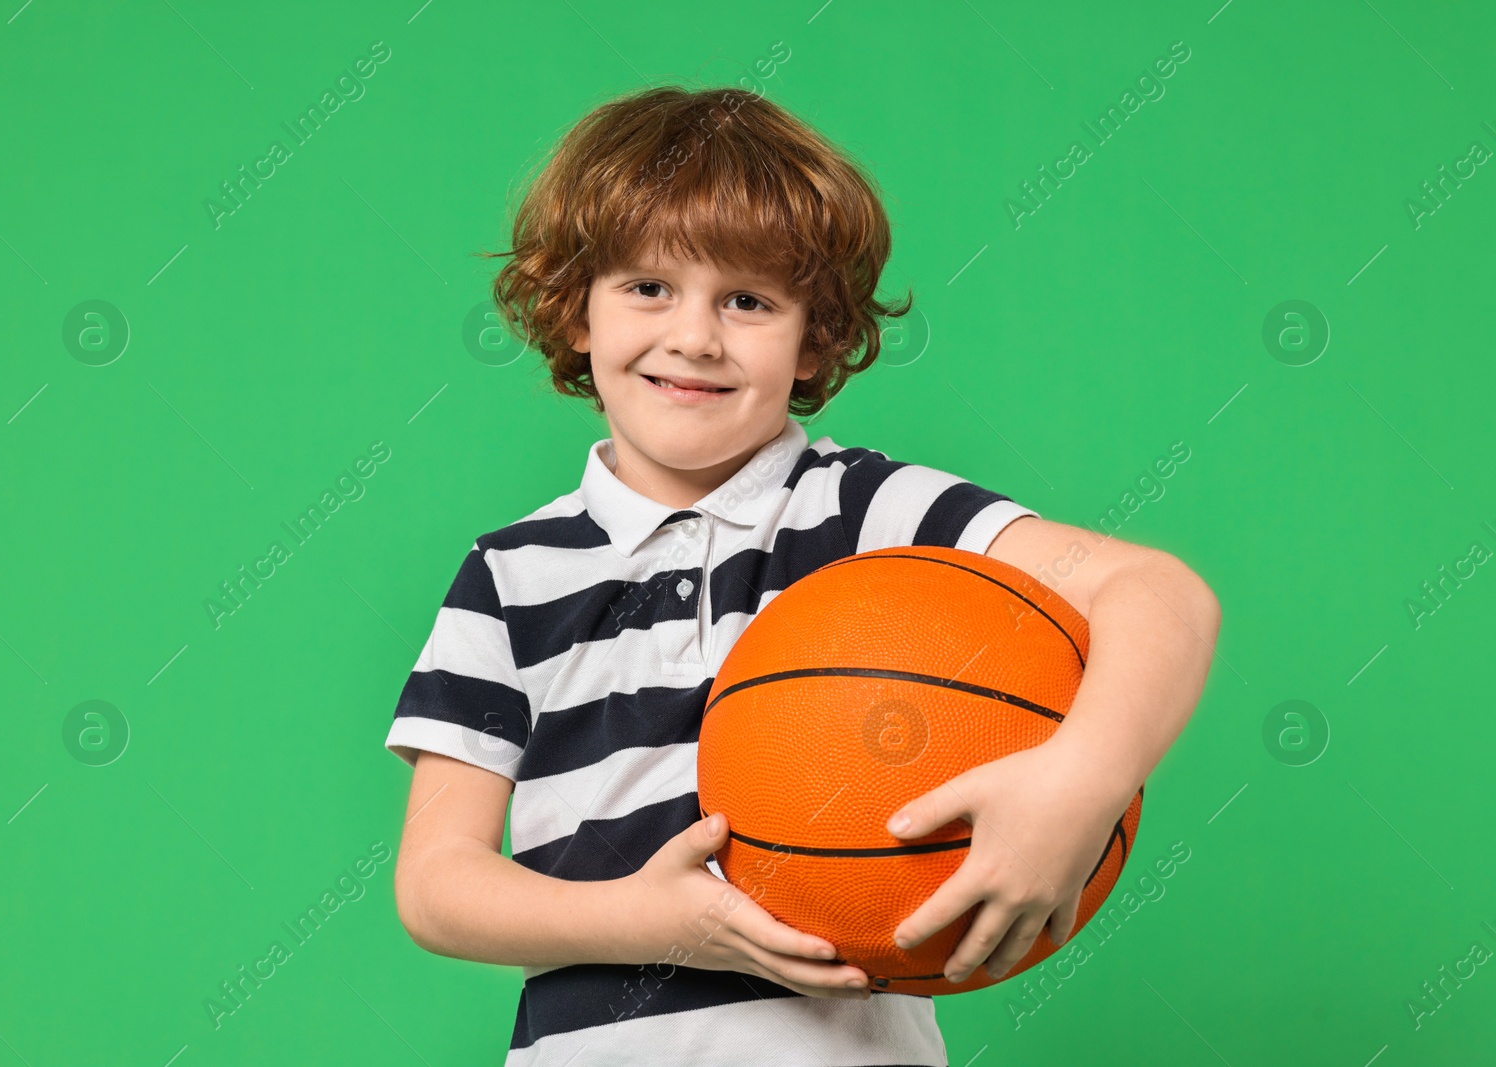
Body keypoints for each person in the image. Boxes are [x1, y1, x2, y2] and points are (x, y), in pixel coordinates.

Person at [384, 84, 1220, 1066]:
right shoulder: (509, 573)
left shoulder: (866, 511)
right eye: (648, 287)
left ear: (816, 334)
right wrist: (643, 921)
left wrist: (1081, 778)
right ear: (575, 309)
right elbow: (437, 882)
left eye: (746, 300)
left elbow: (1160, 594)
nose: (695, 336)